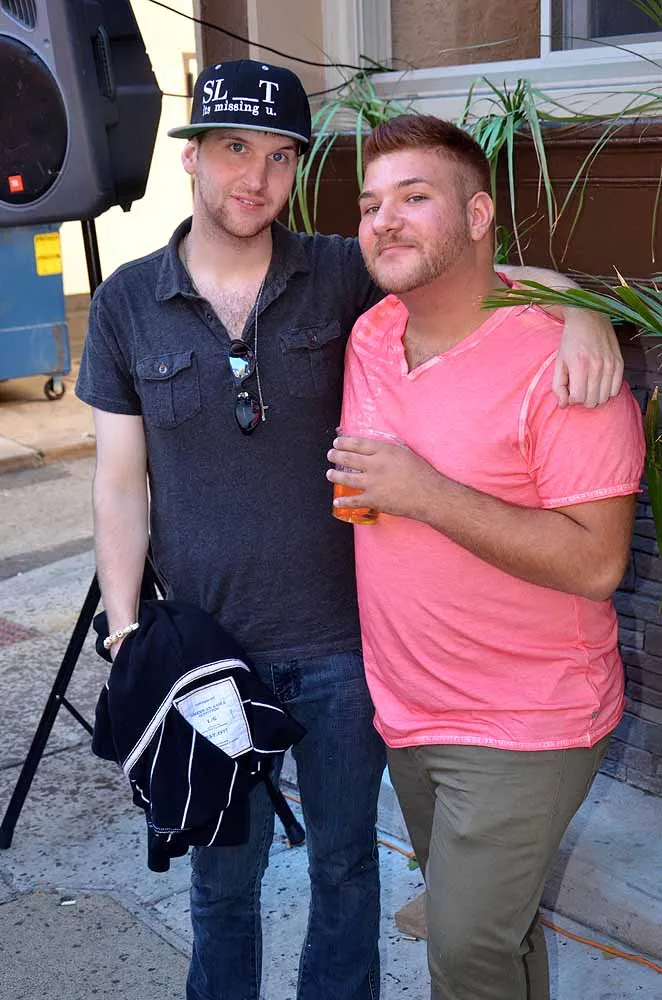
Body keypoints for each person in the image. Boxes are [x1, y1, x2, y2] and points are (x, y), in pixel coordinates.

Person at [76, 57, 624, 1000]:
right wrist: (127, 631)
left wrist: (577, 305)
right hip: (208, 651)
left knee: (345, 870)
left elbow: (466, 275)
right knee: (222, 881)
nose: (256, 176)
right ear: (192, 157)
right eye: (233, 148)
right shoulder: (127, 300)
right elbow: (120, 483)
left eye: (280, 156)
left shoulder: (339, 273)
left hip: (346, 650)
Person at [327, 113, 645, 1000]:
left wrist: (423, 491)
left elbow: (597, 565)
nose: (384, 220)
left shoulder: (566, 366)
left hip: (526, 722)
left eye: (414, 197)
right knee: (498, 939)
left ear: (476, 216)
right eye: (371, 204)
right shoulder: (371, 336)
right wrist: (573, 290)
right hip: (407, 707)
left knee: (464, 955)